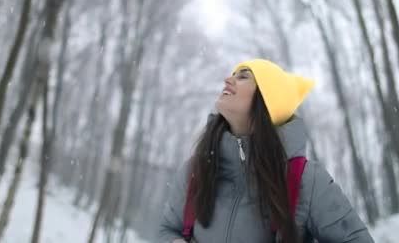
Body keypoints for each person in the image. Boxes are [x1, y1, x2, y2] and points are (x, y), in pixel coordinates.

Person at [159, 59, 374, 243]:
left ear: (266, 100)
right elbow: (166, 230)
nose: (228, 79)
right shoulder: (197, 170)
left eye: (243, 77)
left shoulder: (306, 181)